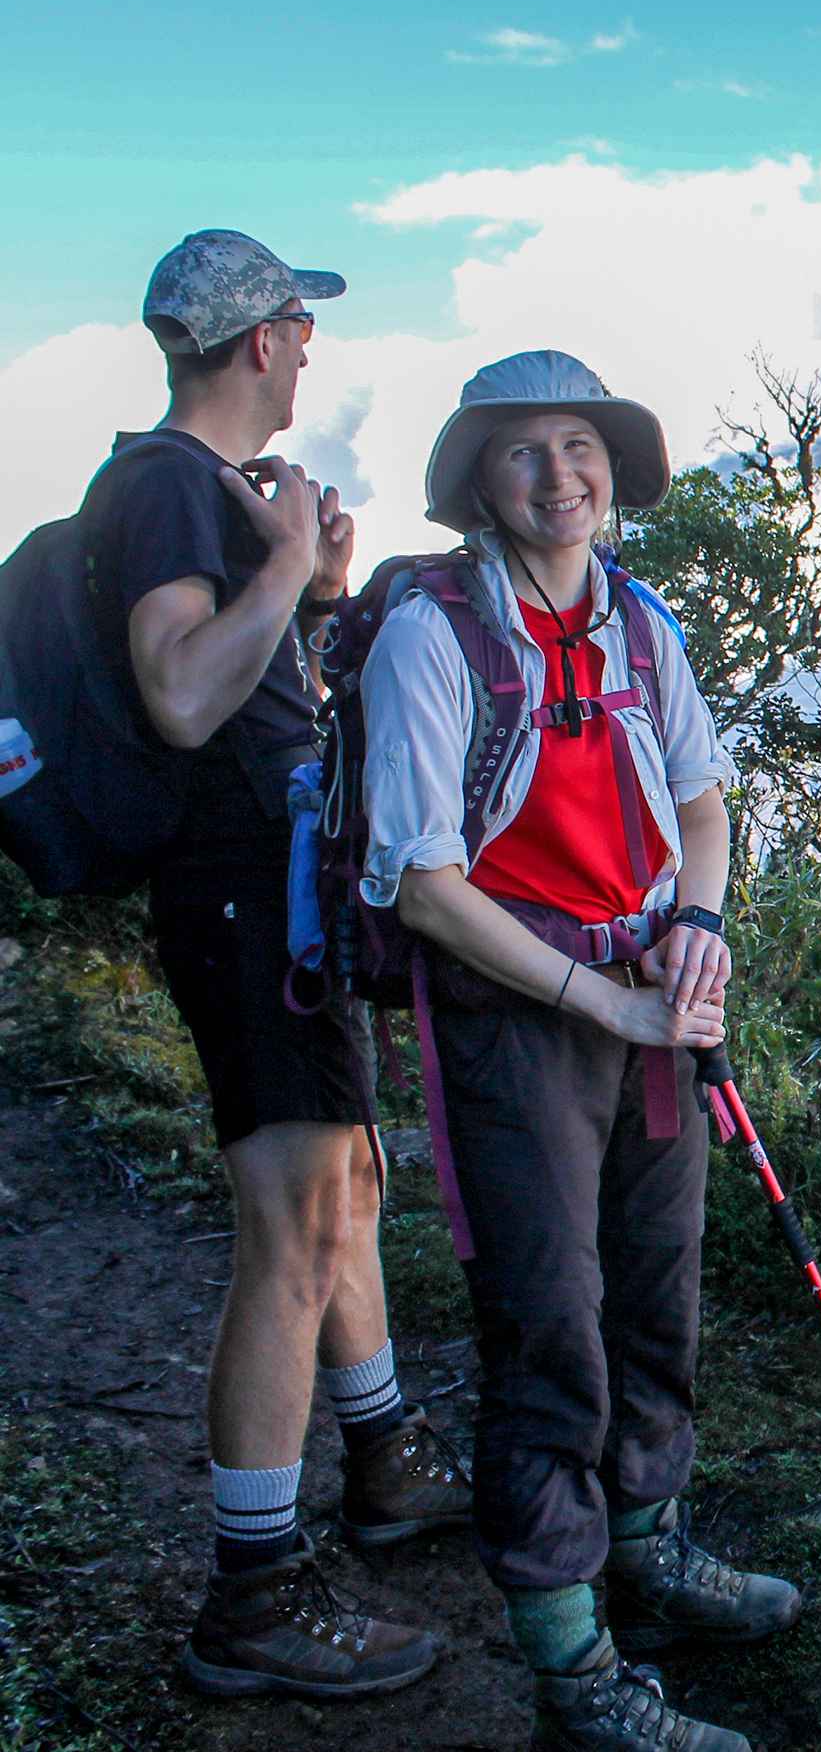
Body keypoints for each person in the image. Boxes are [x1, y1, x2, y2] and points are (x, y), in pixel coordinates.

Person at [362, 350, 798, 1751]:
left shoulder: (637, 621)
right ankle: (573, 1668)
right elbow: (427, 883)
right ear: (478, 487)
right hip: (515, 1022)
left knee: (655, 1297)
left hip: (650, 1003)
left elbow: (704, 798)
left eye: (580, 447)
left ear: (616, 469)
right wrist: (601, 1001)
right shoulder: (434, 636)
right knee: (550, 1326)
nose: (561, 478)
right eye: (523, 453)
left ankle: (651, 1551)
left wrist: (702, 925)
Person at [87, 230, 467, 1700]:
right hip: (243, 901)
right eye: (301, 327)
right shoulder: (168, 487)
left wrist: (310, 603)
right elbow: (184, 694)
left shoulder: (200, 494)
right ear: (258, 343)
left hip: (276, 898)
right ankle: (251, 1591)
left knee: (345, 1182)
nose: (310, 349)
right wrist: (292, 563)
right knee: (295, 1224)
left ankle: (384, 1459)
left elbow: (247, 685)